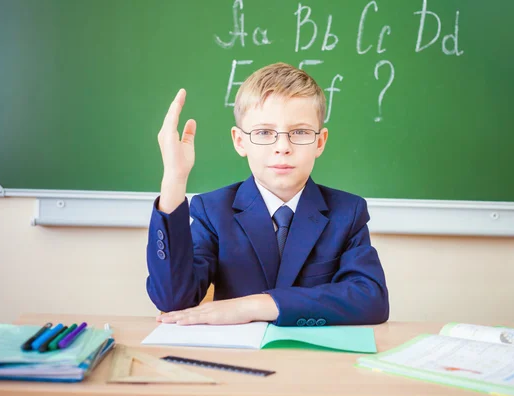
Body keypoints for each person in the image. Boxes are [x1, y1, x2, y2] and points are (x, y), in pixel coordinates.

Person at [146, 62, 389, 327]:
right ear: (240, 141)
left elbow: (371, 299)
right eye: (264, 132)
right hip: (238, 361)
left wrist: (256, 305)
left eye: (299, 132)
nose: (282, 147)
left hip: (314, 362)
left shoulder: (347, 212)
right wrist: (174, 177)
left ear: (320, 142)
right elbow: (173, 300)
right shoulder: (213, 210)